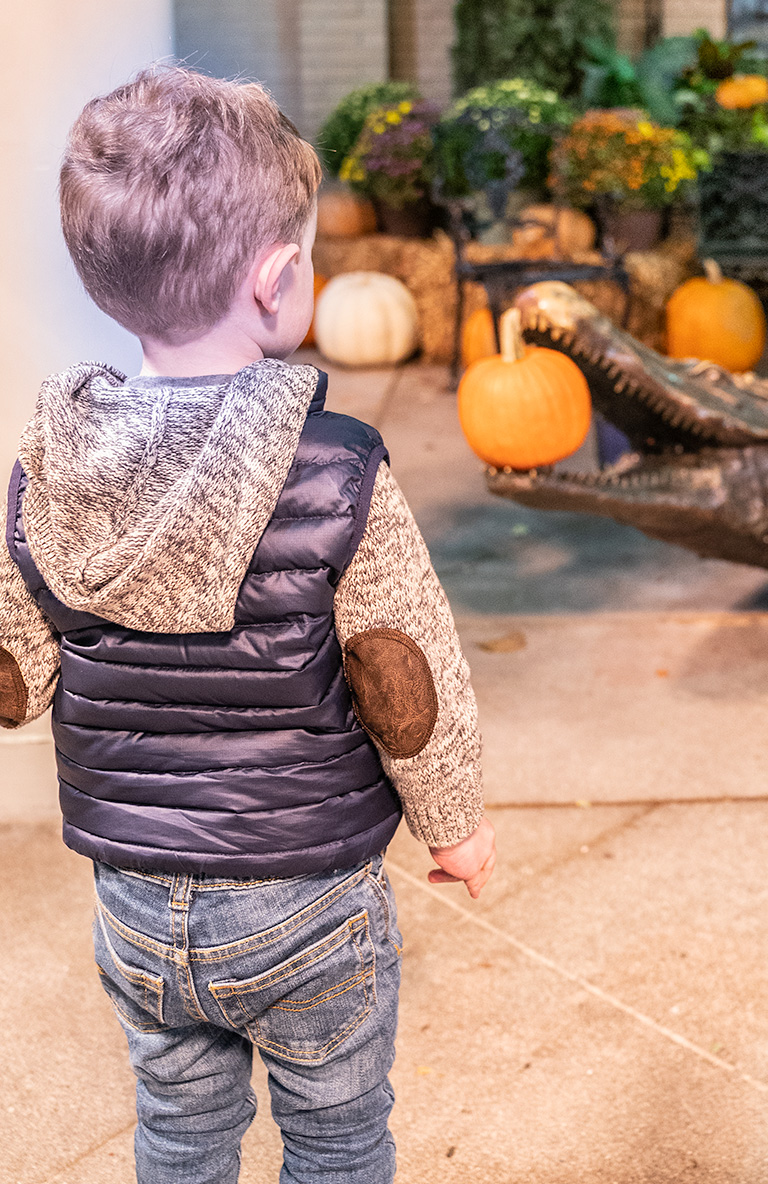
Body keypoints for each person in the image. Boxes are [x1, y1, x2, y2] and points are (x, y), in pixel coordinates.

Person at [0, 67, 494, 1184]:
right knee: (336, 1140)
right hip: (306, 896)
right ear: (277, 283)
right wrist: (454, 824)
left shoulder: (50, 470)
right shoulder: (338, 471)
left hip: (131, 897)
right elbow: (405, 679)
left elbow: (14, 674)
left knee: (179, 1137)